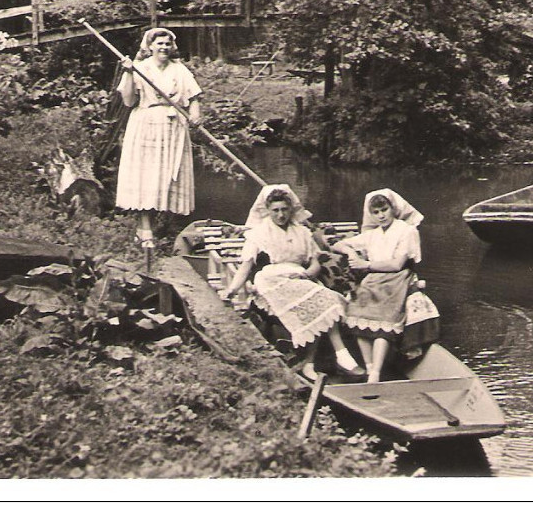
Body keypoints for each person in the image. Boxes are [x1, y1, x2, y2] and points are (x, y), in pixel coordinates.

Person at [218, 185, 364, 381]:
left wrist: (306, 275)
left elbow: (314, 263)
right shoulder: (259, 233)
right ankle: (342, 355)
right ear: (268, 211)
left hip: (300, 278)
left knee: (326, 300)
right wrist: (232, 290)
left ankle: (311, 363)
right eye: (275, 210)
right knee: (322, 301)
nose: (280, 215)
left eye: (284, 209)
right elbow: (245, 267)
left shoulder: (302, 232)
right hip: (272, 280)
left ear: (291, 209)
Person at [115, 28, 202, 248]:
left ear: (172, 47)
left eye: (167, 43)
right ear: (150, 46)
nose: (163, 47)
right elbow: (127, 101)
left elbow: (193, 97)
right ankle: (145, 230)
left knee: (166, 176)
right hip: (146, 124)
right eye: (159, 43)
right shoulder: (140, 68)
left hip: (173, 126)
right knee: (147, 176)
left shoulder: (179, 70)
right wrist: (127, 72)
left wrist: (195, 114)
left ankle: (158, 226)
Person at [331, 189, 423, 383]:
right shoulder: (372, 234)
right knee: (356, 313)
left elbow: (397, 264)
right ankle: (369, 366)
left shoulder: (406, 231)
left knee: (383, 318)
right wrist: (352, 253)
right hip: (373, 279)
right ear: (371, 214)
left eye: (384, 210)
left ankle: (376, 373)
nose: (381, 215)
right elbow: (337, 245)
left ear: (392, 208)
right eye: (376, 212)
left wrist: (366, 265)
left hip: (396, 278)